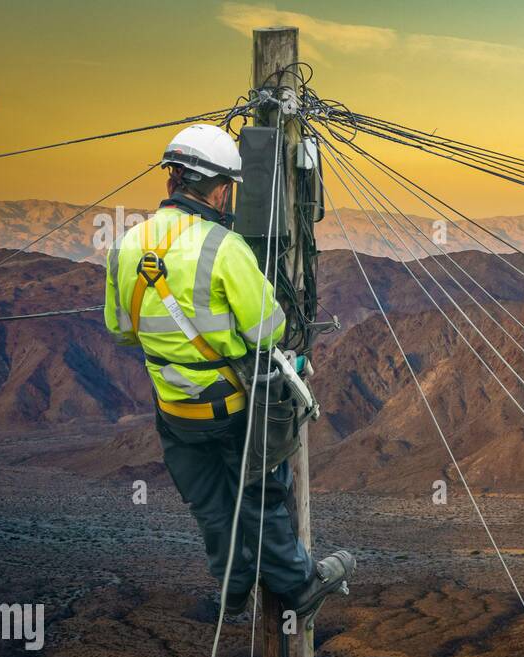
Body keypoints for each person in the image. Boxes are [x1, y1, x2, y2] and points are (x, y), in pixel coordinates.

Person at [104, 124, 353, 619]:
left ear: (173, 180)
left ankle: (233, 586)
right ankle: (299, 586)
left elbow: (122, 330)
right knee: (260, 494)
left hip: (174, 408)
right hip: (233, 405)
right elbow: (268, 330)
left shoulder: (126, 246)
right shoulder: (223, 247)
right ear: (218, 187)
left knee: (211, 504)